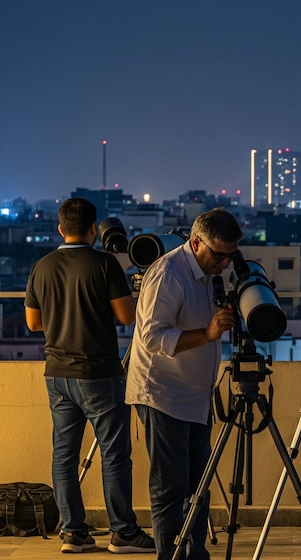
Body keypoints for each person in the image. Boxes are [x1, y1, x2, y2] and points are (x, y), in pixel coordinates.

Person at [24, 198, 156, 554]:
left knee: (63, 455)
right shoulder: (104, 264)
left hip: (57, 374)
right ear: (94, 228)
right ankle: (123, 532)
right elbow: (127, 316)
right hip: (98, 371)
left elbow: (33, 323)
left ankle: (73, 532)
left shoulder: (42, 266)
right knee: (114, 455)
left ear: (60, 228)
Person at [125, 209, 241, 560]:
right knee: (170, 488)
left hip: (195, 396)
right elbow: (151, 337)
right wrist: (207, 334)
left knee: (198, 485)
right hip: (163, 395)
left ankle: (195, 553)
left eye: (230, 255)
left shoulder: (209, 274)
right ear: (195, 242)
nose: (224, 262)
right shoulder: (169, 274)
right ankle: (170, 555)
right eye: (218, 254)